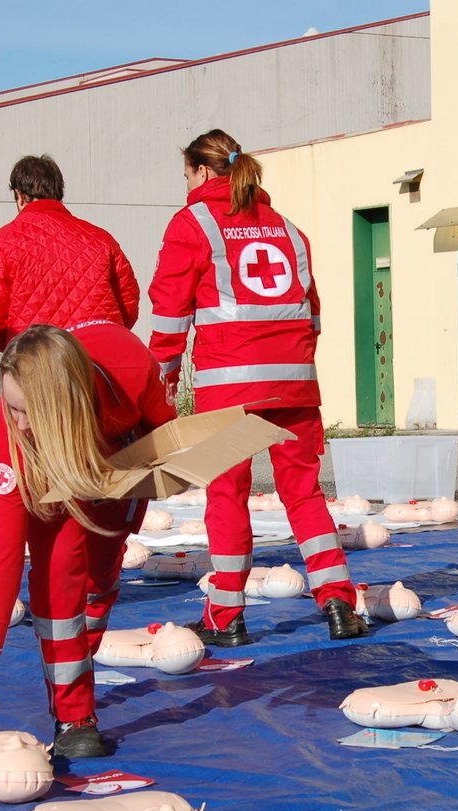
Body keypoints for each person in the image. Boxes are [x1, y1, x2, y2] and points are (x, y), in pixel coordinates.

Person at [147, 128, 367, 646]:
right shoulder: (289, 229)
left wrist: (165, 379)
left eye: (186, 175)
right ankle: (337, 601)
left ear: (203, 172)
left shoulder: (193, 223)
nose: (185, 186)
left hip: (229, 387)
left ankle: (227, 615)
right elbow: (312, 314)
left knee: (227, 495)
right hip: (294, 386)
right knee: (304, 494)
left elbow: (170, 311)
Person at [0, 324, 173, 758]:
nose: (19, 423)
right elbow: (4, 550)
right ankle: (74, 712)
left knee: (100, 576)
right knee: (57, 575)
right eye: (11, 407)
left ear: (65, 403)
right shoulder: (15, 430)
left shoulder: (131, 369)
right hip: (48, 473)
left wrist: (163, 478)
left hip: (112, 461)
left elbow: (166, 437)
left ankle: (72, 667)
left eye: (28, 411)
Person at [0, 154, 141, 352]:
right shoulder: (101, 239)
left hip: (35, 361)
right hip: (98, 360)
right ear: (58, 193)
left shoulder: (1, 242)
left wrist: (14, 346)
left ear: (20, 195)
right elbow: (128, 305)